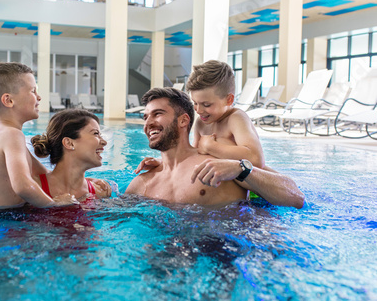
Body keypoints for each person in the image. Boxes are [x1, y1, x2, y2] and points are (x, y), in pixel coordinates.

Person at [126, 87, 304, 209]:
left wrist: (240, 169)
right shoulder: (142, 183)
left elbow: (296, 197)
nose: (148, 123)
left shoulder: (220, 164)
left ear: (183, 120)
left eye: (157, 114)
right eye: (145, 117)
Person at [0, 62, 77, 209]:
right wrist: (54, 205)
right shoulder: (12, 135)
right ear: (9, 100)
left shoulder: (3, 134)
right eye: (33, 91)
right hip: (7, 222)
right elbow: (23, 186)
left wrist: (85, 182)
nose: (39, 97)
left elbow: (47, 175)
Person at [187, 60, 265, 168]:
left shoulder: (236, 118)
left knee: (223, 141)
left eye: (206, 105)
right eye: (195, 103)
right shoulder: (201, 123)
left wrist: (211, 146)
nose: (199, 110)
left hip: (245, 179)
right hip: (217, 177)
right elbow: (194, 156)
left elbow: (256, 159)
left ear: (229, 100)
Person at [31, 109, 112, 202]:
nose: (104, 142)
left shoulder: (101, 192)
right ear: (69, 143)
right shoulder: (32, 189)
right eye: (96, 133)